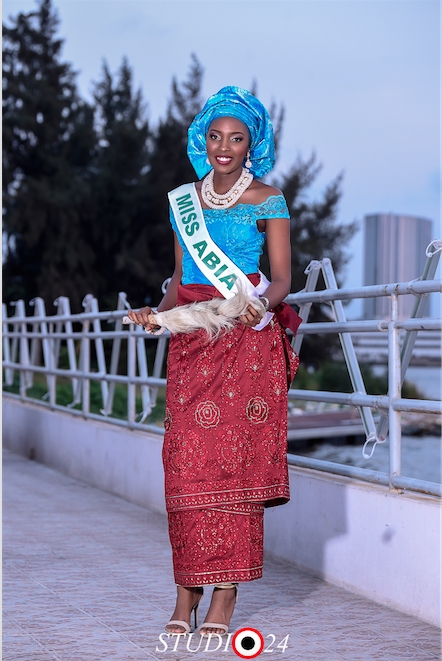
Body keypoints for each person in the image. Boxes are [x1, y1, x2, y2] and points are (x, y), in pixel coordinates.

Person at [128, 86, 300, 637]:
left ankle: (222, 596)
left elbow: (280, 280)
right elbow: (180, 285)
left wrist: (260, 308)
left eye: (237, 138)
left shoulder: (269, 199)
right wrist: (155, 316)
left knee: (234, 467)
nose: (224, 147)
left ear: (253, 145)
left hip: (246, 344)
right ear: (203, 140)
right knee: (184, 467)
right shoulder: (183, 202)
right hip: (194, 346)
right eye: (216, 136)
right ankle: (186, 591)